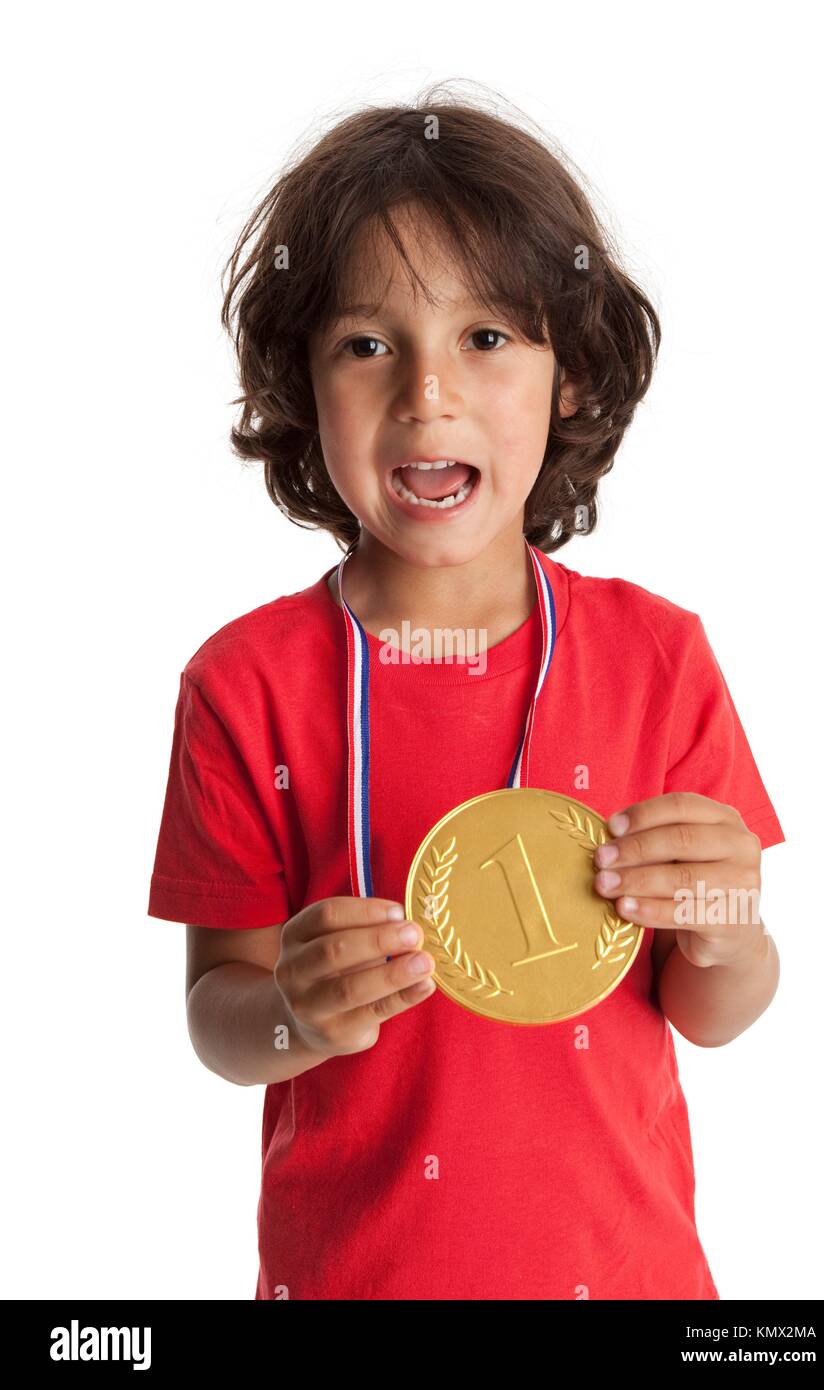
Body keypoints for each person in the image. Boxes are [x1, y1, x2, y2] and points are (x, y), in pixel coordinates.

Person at [148, 93, 785, 1300]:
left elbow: (715, 1008)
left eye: (486, 336)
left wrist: (724, 925)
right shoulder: (243, 687)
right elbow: (217, 1021)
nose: (426, 391)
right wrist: (292, 1010)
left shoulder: (659, 657)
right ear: (302, 387)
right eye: (366, 343)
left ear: (573, 377)